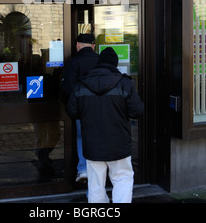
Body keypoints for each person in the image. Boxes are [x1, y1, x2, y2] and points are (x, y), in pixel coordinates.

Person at [67, 46, 144, 203]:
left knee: (95, 185)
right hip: (119, 143)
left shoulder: (81, 84)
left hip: (92, 144)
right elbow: (137, 111)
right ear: (115, 65)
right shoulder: (125, 83)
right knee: (122, 178)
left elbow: (72, 112)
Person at [61, 33, 99, 183]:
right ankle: (100, 168)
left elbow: (66, 89)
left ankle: (83, 169)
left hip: (82, 109)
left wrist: (71, 108)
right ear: (93, 46)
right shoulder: (102, 60)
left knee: (81, 137)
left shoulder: (73, 62)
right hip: (102, 108)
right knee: (101, 137)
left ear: (77, 45)